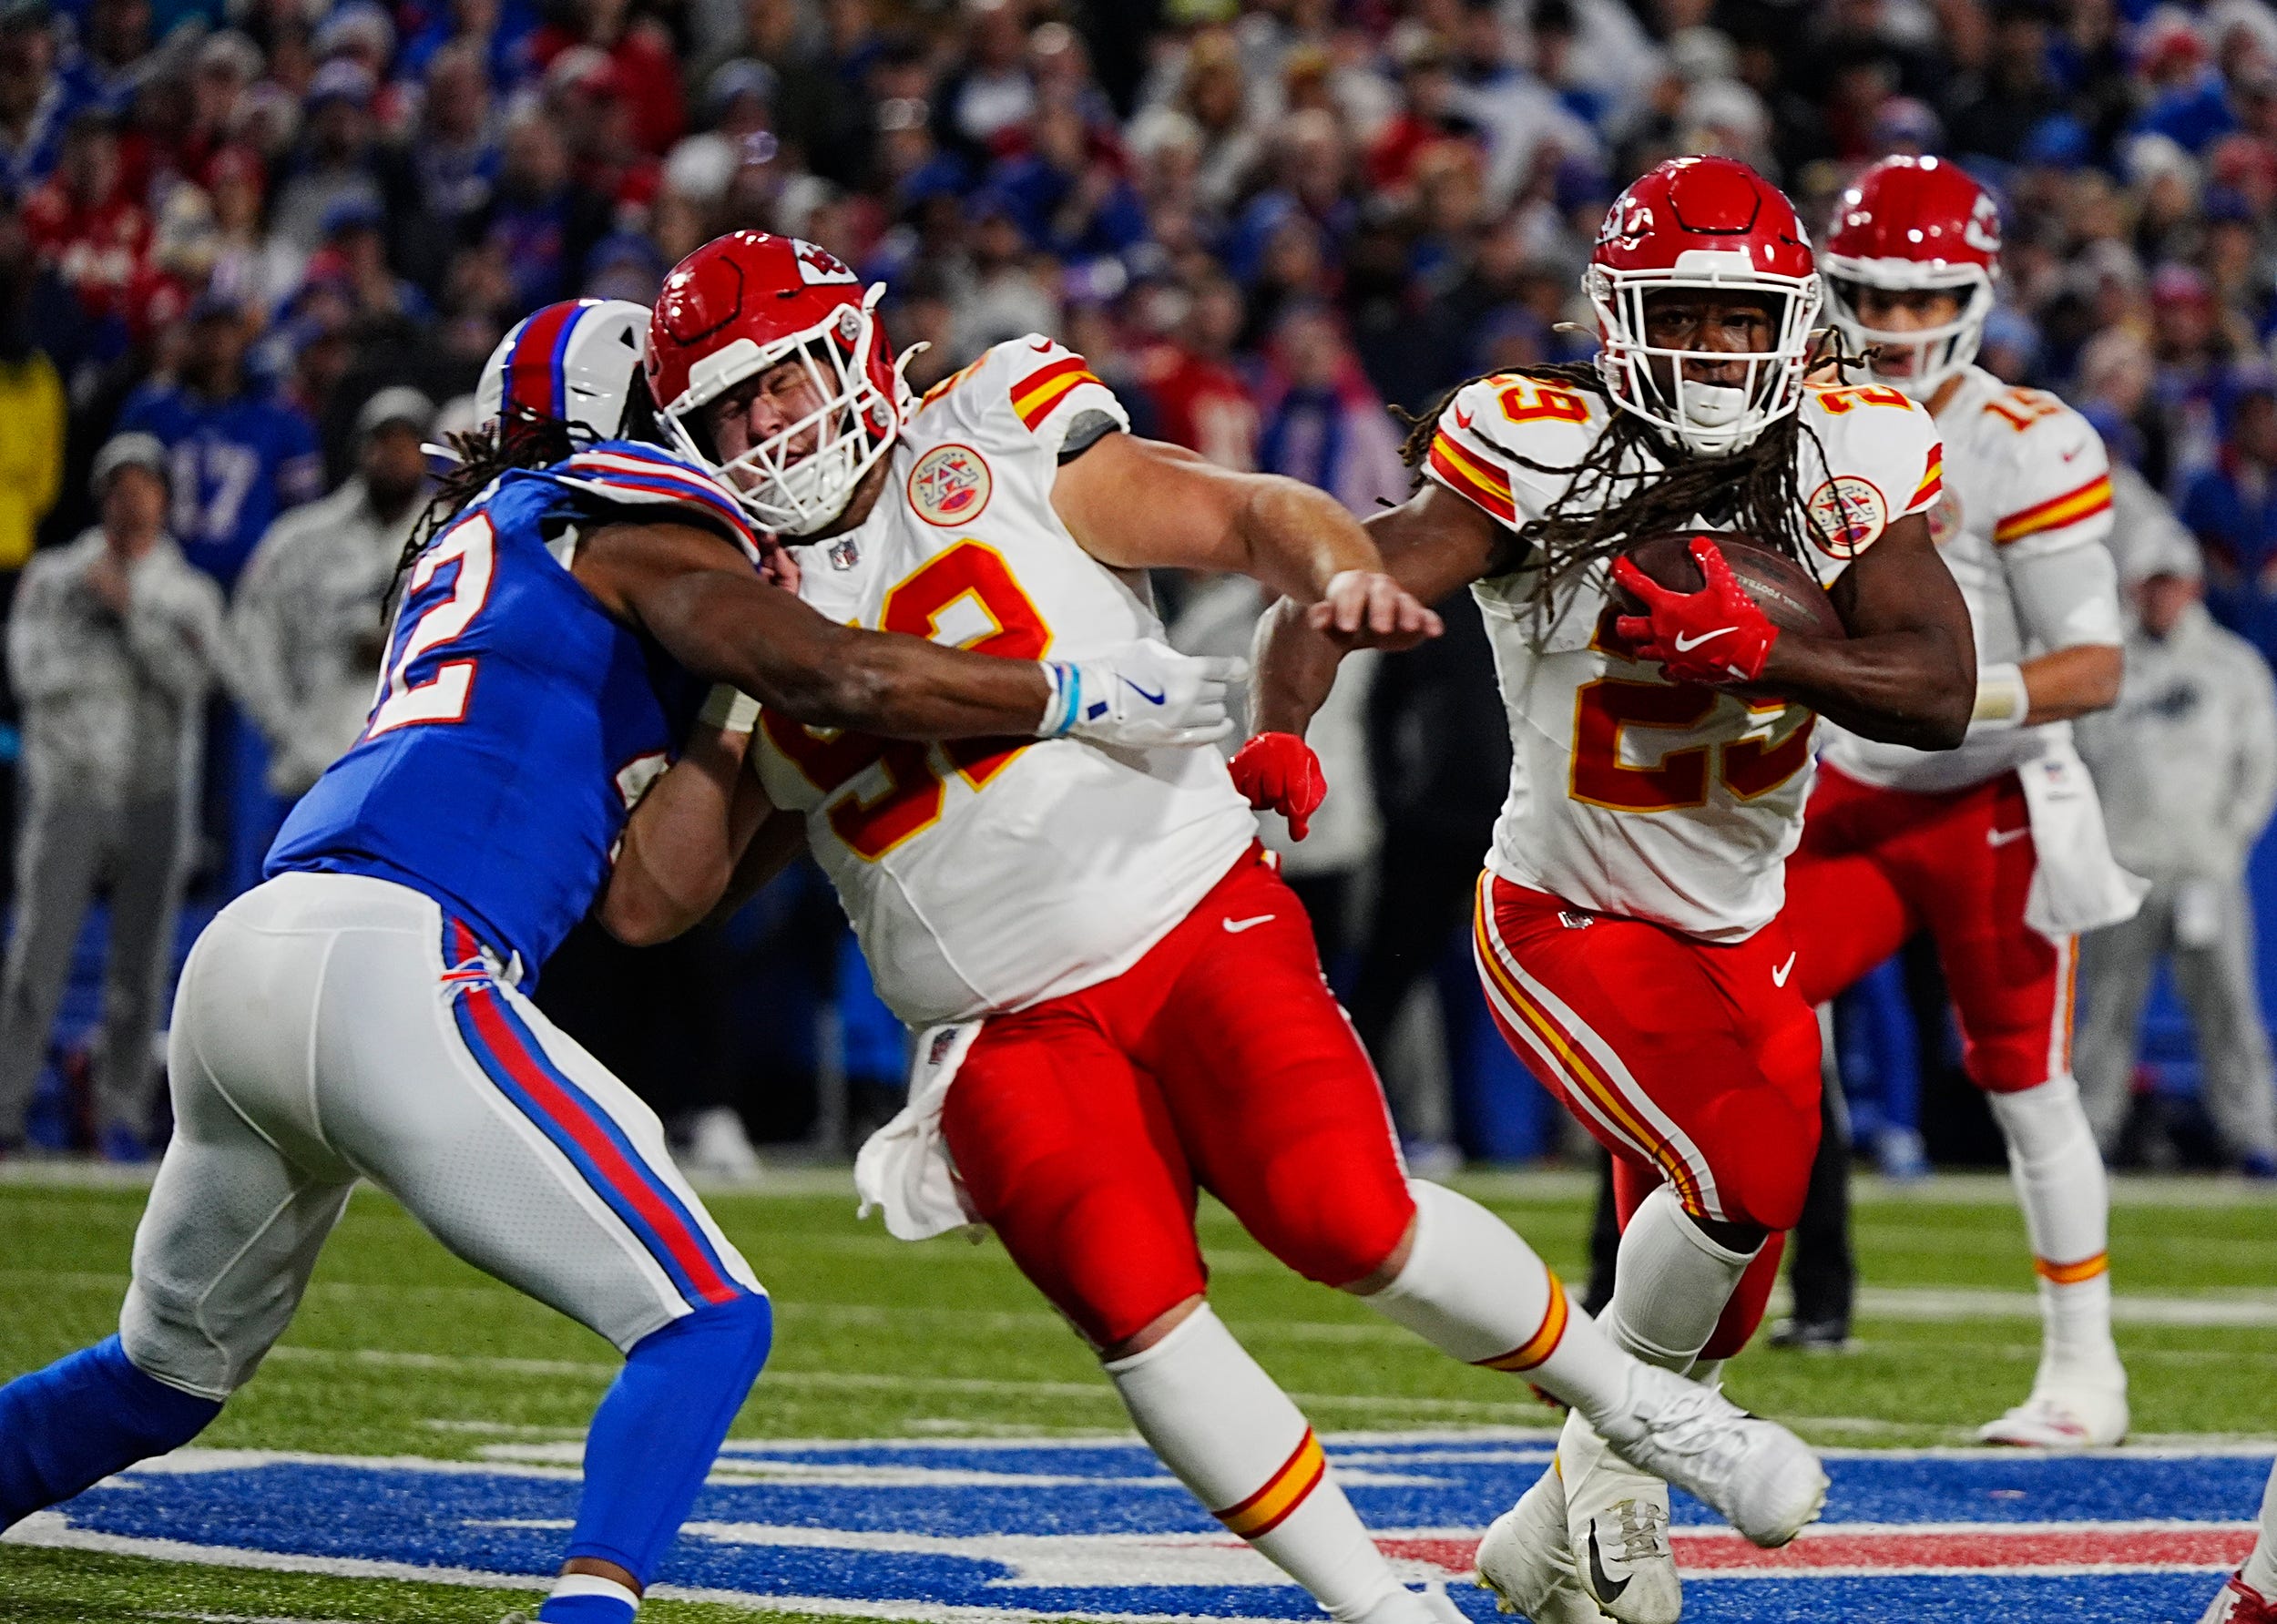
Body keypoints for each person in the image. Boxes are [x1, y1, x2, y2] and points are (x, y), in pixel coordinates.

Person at [604, 229, 1831, 1624]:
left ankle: (1650, 1414)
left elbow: (1249, 510)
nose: (767, 426)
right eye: (728, 409)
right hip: (993, 1023)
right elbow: (655, 897)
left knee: (1344, 1214)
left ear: (856, 350)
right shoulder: (735, 597)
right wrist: (730, 671)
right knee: (1139, 1309)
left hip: (1185, 909)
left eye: (782, 380)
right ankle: (1376, 1605)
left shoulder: (996, 430)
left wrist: (1338, 576)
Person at [0, 297, 1238, 1624]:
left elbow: (667, 856)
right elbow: (834, 677)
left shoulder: (480, 531)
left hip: (252, 952)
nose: (734, 436)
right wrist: (1078, 693)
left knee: (158, 1375)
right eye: (698, 411)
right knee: (709, 1318)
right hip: (405, 958)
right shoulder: (625, 506)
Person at [1245, 156, 1974, 1624]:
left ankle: (1546, 1520)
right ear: (1620, 318)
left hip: (1746, 923)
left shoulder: (1857, 448)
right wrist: (1280, 727)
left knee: (1740, 1262)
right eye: (1683, 315)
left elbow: (1941, 691)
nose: (1711, 348)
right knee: (1742, 1175)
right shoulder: (1544, 444)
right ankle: (1629, 1481)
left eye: (1737, 317)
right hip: (1569, 913)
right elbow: (1334, 594)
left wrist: (1778, 654)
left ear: (1791, 321)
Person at [1778, 157, 2142, 1447]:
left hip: (1985, 795)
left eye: (1924, 293)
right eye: (1869, 289)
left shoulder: (2021, 436)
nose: (1892, 320)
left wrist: (1940, 701)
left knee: (2026, 1083)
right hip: (1842, 797)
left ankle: (2084, 1368)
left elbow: (2092, 664)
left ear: (1976, 294)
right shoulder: (1794, 419)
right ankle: (1675, 1334)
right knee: (1736, 1015)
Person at [0, 433, 228, 1160]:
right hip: (69, 788)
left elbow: (198, 684)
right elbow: (28, 672)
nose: (131, 499)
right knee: (37, 960)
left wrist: (128, 613)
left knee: (138, 968)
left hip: (152, 794)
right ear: (101, 496)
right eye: (118, 486)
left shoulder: (189, 593)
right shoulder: (53, 576)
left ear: (164, 497)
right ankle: (5, 1112)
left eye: (144, 486)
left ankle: (119, 1121)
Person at [2076, 536, 2277, 1175]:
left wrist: (2227, 840)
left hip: (2202, 869)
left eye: (2172, 581)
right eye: (2150, 582)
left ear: (2191, 585)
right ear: (2136, 588)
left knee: (2228, 1009)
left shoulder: (2233, 664)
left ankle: (2252, 1136)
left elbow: (2261, 765)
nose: (2161, 595)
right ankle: (2088, 1134)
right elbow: (2078, 757)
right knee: (2106, 1011)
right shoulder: (2108, 665)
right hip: (2124, 865)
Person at [232, 386, 438, 801]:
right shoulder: (299, 539)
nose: (396, 455)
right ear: (361, 450)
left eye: (408, 444)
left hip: (410, 772)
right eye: (384, 442)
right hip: (311, 768)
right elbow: (250, 637)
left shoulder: (455, 538)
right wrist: (287, 731)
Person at [114, 290, 323, 587]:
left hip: (253, 583)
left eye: (227, 328)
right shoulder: (151, 410)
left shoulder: (282, 419)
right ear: (190, 335)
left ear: (243, 336)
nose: (217, 340)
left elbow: (304, 518)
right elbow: (120, 495)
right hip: (162, 579)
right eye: (208, 328)